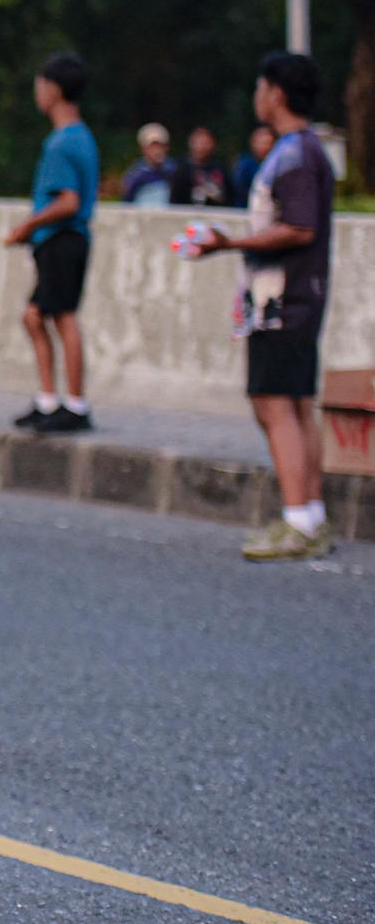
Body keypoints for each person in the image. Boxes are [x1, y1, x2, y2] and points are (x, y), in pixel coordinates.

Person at [192, 53, 335, 561]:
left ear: (276, 93)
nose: (257, 96)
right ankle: (310, 515)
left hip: (282, 300)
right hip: (294, 297)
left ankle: (297, 522)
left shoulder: (295, 154)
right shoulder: (303, 150)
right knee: (295, 404)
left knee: (273, 402)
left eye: (260, 87)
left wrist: (230, 243)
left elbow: (299, 227)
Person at [4, 52, 99, 433]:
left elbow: (68, 201)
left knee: (62, 317)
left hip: (62, 238)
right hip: (63, 240)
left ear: (53, 90)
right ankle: (49, 400)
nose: (37, 93)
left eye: (40, 85)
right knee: (36, 316)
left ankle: (74, 404)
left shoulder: (61, 143)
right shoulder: (81, 137)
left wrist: (28, 225)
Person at [169, 125, 231, 206]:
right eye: (198, 142)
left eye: (205, 143)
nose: (201, 147)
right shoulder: (181, 169)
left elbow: (229, 196)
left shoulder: (220, 168)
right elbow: (175, 199)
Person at [121, 122, 175, 206]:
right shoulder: (136, 174)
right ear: (143, 148)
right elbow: (127, 200)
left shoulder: (174, 170)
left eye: (161, 146)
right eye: (152, 147)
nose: (157, 151)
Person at [231, 124, 274, 206]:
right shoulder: (243, 165)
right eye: (262, 143)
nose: (265, 147)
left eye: (269, 143)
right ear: (253, 143)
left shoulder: (277, 165)